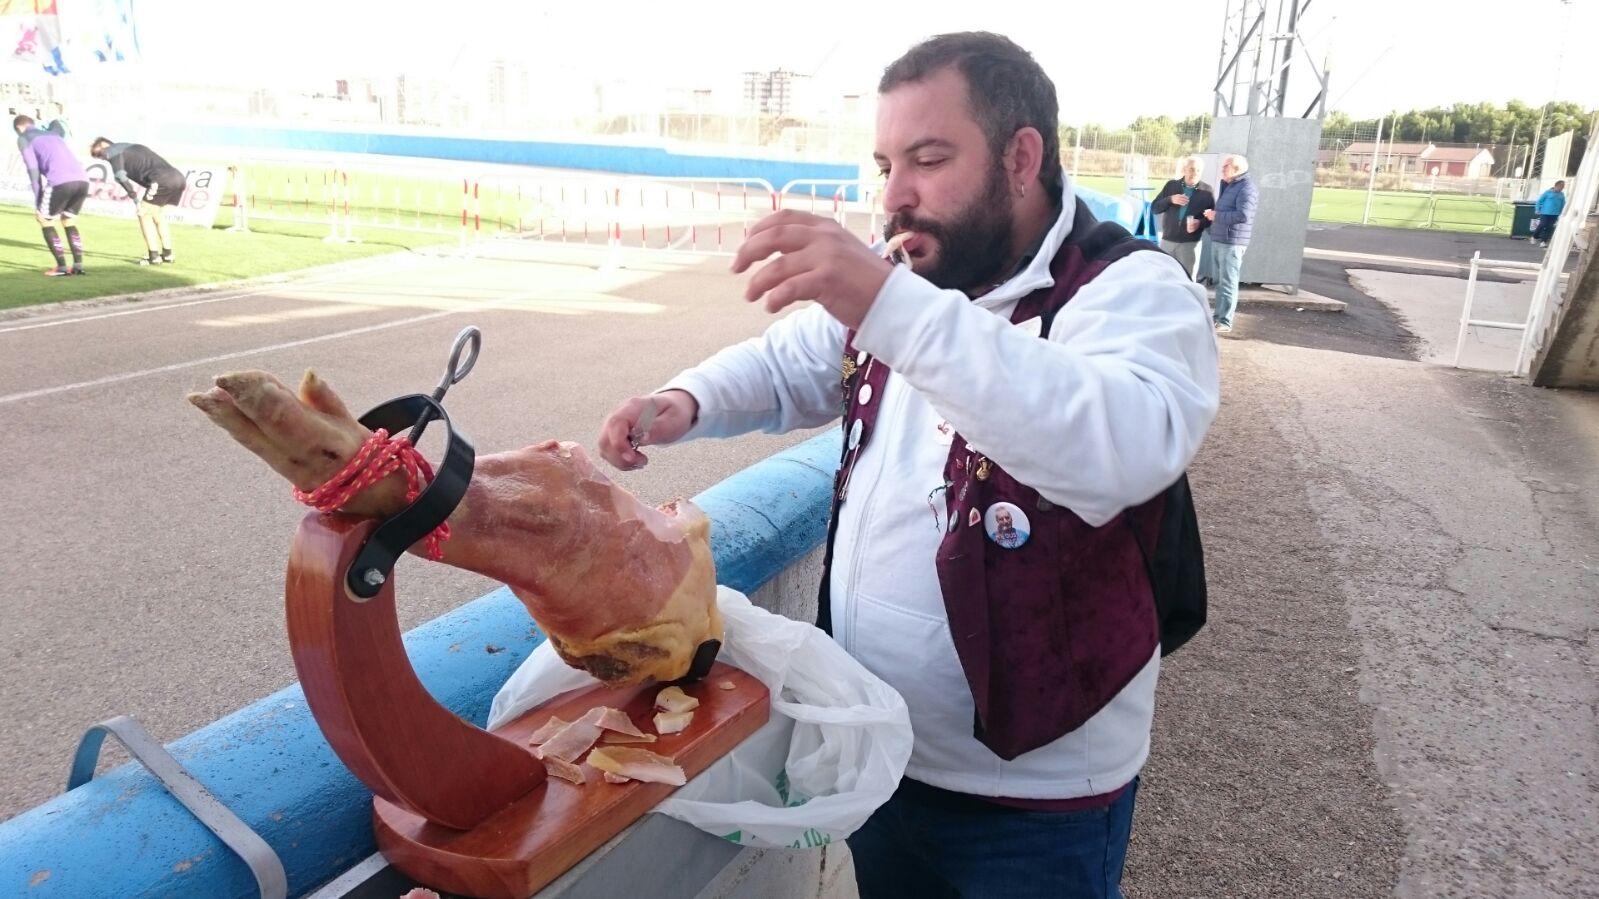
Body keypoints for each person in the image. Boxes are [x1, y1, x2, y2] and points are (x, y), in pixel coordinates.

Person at [596, 32, 1218, 899]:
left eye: (927, 160)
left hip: (1038, 801)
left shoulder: (1130, 291)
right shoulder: (915, 276)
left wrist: (889, 305)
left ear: (1020, 157)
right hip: (882, 756)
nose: (896, 197)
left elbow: (1114, 449)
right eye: (885, 164)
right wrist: (683, 402)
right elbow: (790, 362)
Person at [89, 137, 185, 265]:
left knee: (143, 214)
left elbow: (120, 176)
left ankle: (153, 256)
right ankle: (167, 254)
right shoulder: (131, 147)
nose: (102, 158)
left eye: (98, 154)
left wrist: (135, 200)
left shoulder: (112, 151)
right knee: (158, 215)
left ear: (104, 146)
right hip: (178, 178)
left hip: (162, 179)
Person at [13, 114, 89, 276]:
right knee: (68, 220)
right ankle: (78, 265)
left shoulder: (24, 138)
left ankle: (61, 267)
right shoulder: (53, 134)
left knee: (44, 219)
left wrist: (38, 199)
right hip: (83, 180)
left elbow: (33, 171)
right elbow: (60, 126)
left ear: (19, 128)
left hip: (60, 181)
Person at [1202, 154, 1258, 333]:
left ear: (1237, 168)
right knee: (1220, 281)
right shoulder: (1230, 185)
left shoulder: (1246, 188)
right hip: (1220, 239)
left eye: (1226, 166)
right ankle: (1218, 316)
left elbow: (1243, 215)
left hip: (1232, 242)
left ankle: (1225, 321)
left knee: (1228, 282)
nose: (1222, 168)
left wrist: (1216, 216)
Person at [1149, 154, 1214, 280]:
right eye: (1191, 169)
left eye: (1198, 170)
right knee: (1163, 278)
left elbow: (1210, 219)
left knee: (1187, 280)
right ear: (1184, 170)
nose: (1195, 173)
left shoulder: (1207, 191)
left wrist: (1199, 223)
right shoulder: (1171, 186)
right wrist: (1170, 199)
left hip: (1190, 244)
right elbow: (1154, 208)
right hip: (1168, 241)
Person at [1533, 180, 1566, 247]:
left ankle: (1543, 242)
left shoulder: (1561, 195)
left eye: (1563, 187)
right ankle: (1534, 236)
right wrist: (1537, 209)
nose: (1561, 188)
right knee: (1543, 224)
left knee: (1549, 227)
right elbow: (1539, 201)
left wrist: (1562, 212)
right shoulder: (1547, 192)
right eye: (1561, 187)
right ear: (1556, 186)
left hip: (1555, 213)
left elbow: (1563, 204)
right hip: (1545, 212)